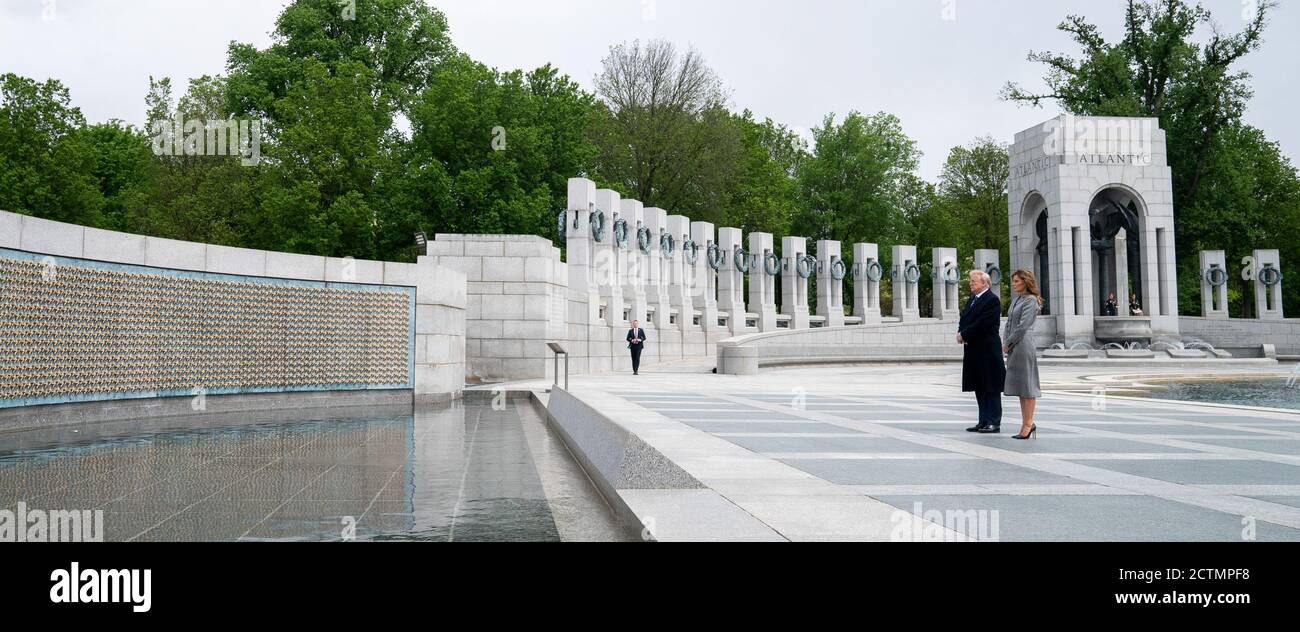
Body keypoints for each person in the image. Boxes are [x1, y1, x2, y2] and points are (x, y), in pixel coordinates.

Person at [958, 270, 1006, 433]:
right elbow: (964, 318)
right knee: (979, 385)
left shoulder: (992, 300)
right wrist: (960, 332)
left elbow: (983, 323)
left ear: (985, 283)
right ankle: (983, 420)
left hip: (987, 349)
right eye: (971, 281)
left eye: (974, 281)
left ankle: (994, 422)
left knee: (991, 386)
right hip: (973, 348)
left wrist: (964, 334)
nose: (971, 283)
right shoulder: (972, 299)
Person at [1003, 269, 1043, 440]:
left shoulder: (1031, 301)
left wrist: (1009, 342)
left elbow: (1023, 325)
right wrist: (1006, 342)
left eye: (1017, 281)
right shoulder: (1017, 299)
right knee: (1021, 387)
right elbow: (1009, 323)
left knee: (1028, 386)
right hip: (1013, 345)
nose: (1014, 284)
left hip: (1023, 345)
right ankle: (1026, 422)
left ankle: (1029, 424)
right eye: (1013, 281)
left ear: (1026, 282)